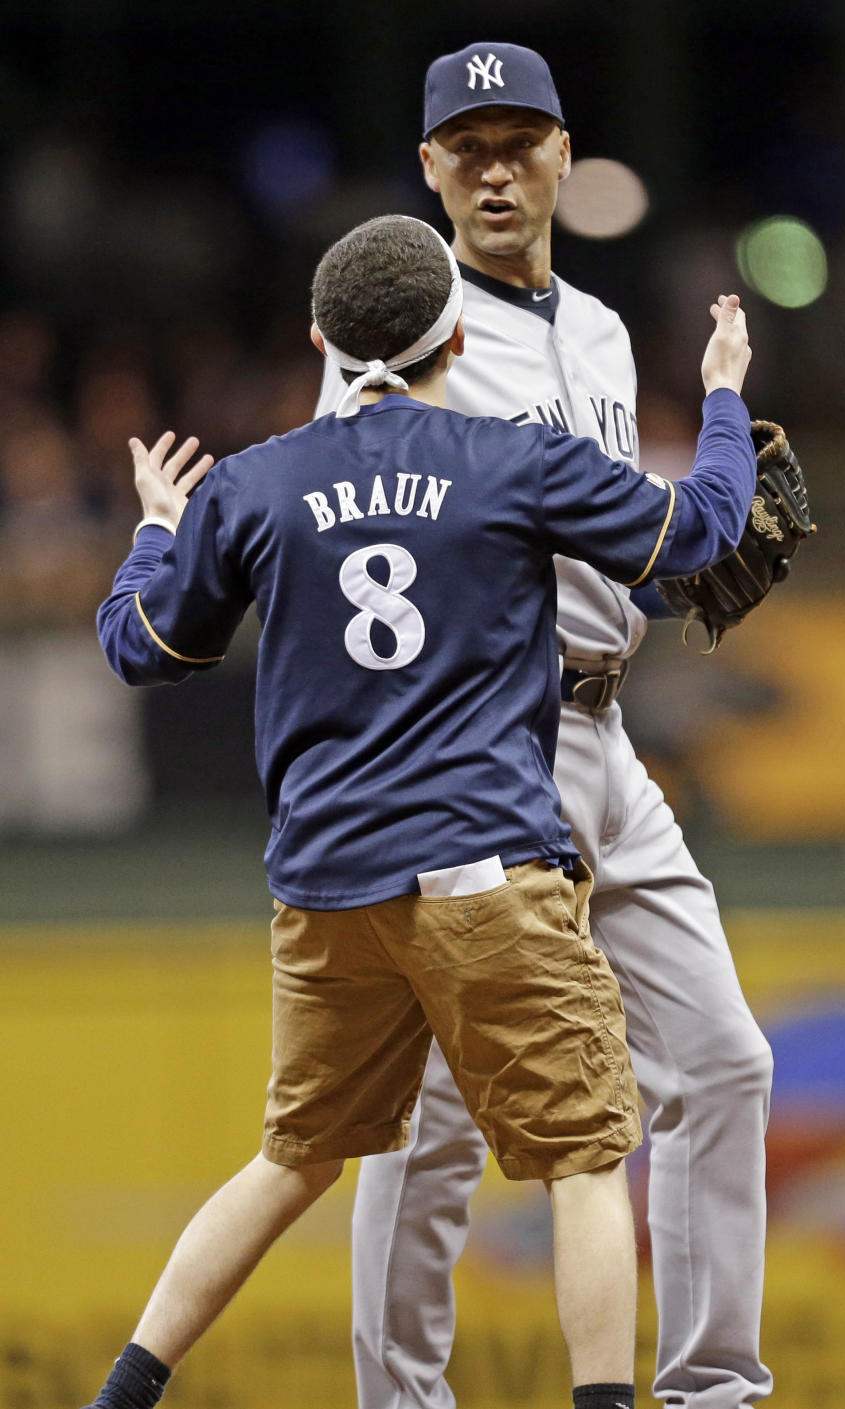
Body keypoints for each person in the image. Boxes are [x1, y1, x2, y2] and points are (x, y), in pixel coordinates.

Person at [85, 215, 755, 1409]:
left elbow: (140, 648)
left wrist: (152, 530)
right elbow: (698, 531)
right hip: (482, 867)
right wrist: (718, 400)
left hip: (325, 888)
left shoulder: (251, 482)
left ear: (319, 340)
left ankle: (123, 1391)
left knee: (294, 1158)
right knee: (590, 1156)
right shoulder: (505, 459)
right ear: (456, 334)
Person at [313, 44, 774, 1409]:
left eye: (522, 139)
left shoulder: (603, 333)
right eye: (470, 145)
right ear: (430, 173)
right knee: (438, 1121)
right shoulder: (394, 336)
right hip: (472, 742)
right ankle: (400, 1398)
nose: (498, 166)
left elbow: (613, 536)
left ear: (568, 155)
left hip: (603, 733)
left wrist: (682, 555)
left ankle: (710, 1390)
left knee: (725, 1062)